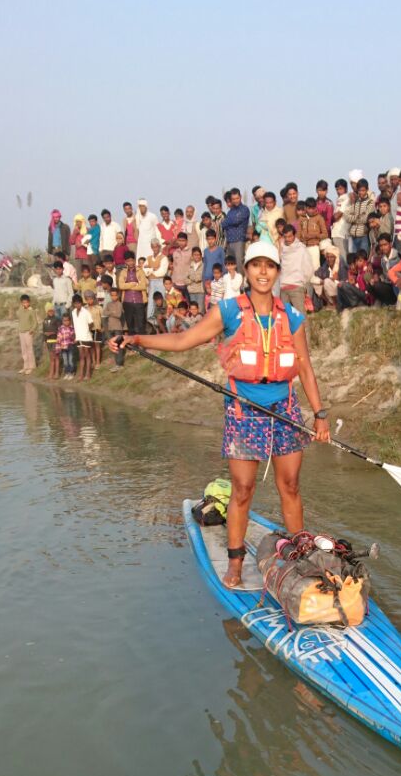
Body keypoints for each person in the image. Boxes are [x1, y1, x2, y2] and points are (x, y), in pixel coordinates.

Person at [111, 239, 330, 589]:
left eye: (269, 266)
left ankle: (299, 559)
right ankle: (235, 562)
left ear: (276, 273)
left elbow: (303, 365)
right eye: (256, 265)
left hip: (285, 408)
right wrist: (137, 339)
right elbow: (185, 341)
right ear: (247, 270)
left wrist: (319, 414)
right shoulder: (228, 311)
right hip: (245, 411)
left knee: (290, 485)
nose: (262, 271)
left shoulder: (292, 317)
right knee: (242, 490)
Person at [279, 222, 314, 313]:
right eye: (285, 237)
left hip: (297, 286)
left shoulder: (301, 248)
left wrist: (302, 282)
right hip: (283, 287)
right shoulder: (282, 249)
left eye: (290, 236)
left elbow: (308, 268)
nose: (288, 239)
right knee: (285, 316)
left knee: (301, 316)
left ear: (294, 235)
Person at [118, 251, 148, 333]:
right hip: (127, 301)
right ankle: (133, 344)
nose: (130, 262)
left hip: (139, 301)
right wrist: (133, 284)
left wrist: (128, 286)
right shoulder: (123, 272)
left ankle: (142, 344)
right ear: (125, 262)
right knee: (130, 324)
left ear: (134, 260)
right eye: (128, 261)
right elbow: (121, 286)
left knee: (141, 324)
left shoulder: (140, 271)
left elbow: (143, 286)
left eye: (132, 260)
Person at [344, 178, 375, 256]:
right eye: (359, 190)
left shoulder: (370, 203)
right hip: (353, 236)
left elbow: (365, 219)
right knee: (353, 261)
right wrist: (358, 216)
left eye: (363, 190)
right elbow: (346, 216)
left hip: (363, 236)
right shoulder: (355, 203)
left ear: (367, 190)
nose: (361, 192)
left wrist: (354, 218)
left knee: (363, 259)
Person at [223, 188, 251, 268]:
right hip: (229, 242)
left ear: (240, 197)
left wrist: (228, 222)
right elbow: (223, 224)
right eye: (233, 199)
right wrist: (228, 222)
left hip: (239, 240)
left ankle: (241, 280)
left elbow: (236, 221)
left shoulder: (244, 209)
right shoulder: (230, 211)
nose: (235, 201)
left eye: (237, 198)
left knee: (239, 265)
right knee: (231, 266)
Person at [70, 292, 95, 380]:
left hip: (86, 337)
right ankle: (81, 374)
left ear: (81, 303)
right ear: (73, 304)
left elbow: (91, 323)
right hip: (79, 337)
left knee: (87, 355)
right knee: (81, 356)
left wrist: (87, 330)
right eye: (75, 303)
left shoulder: (85, 312)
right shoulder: (73, 312)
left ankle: (88, 374)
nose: (77, 305)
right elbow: (74, 324)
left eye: (79, 303)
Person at [103, 287, 125, 370]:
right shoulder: (109, 304)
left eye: (115, 295)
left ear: (118, 295)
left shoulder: (119, 304)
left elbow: (119, 314)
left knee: (118, 345)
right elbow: (104, 312)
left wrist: (110, 313)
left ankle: (120, 364)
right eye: (112, 295)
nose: (113, 297)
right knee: (114, 346)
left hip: (118, 328)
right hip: (111, 327)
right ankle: (117, 364)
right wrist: (112, 312)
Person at [16, 294, 38, 374]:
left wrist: (32, 330)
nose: (25, 304)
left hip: (28, 332)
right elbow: (18, 315)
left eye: (26, 302)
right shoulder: (20, 310)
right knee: (23, 350)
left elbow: (35, 322)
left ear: (29, 302)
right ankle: (25, 366)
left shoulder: (31, 311)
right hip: (21, 332)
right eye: (23, 303)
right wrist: (21, 307)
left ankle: (31, 366)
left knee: (29, 349)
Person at [331, 178, 350, 264]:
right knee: (338, 259)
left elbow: (337, 216)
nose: (338, 191)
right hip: (336, 232)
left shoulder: (345, 198)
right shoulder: (339, 199)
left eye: (340, 188)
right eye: (337, 189)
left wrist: (331, 217)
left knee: (343, 258)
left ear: (346, 189)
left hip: (341, 233)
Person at [55, 312, 76, 379]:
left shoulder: (72, 328)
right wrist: (58, 347)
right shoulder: (60, 328)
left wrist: (73, 340)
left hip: (70, 346)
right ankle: (67, 373)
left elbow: (73, 337)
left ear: (70, 321)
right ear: (62, 321)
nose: (66, 322)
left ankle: (72, 373)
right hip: (63, 347)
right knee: (65, 361)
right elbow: (58, 338)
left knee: (70, 360)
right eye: (64, 320)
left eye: (67, 320)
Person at [42, 303, 60, 378]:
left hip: (55, 340)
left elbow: (59, 330)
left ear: (54, 311)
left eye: (52, 311)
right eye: (49, 311)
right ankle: (51, 373)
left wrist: (53, 333)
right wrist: (45, 339)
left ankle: (57, 373)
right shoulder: (45, 320)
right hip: (48, 341)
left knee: (56, 357)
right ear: (46, 311)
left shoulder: (57, 319)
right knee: (51, 357)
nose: (51, 312)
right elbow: (44, 330)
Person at [86, 292, 104, 365]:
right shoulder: (84, 309)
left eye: (91, 299)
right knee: (91, 346)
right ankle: (93, 361)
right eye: (88, 299)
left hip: (97, 329)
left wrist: (103, 327)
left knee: (97, 346)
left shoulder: (99, 308)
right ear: (86, 300)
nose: (90, 301)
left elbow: (103, 318)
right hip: (89, 330)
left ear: (94, 299)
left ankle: (97, 362)